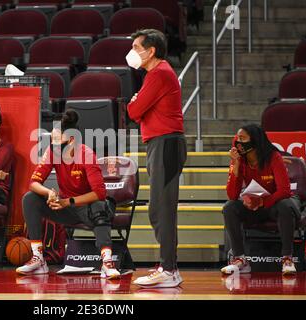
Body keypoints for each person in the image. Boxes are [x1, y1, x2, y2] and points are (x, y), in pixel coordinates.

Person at [17, 110, 120, 279]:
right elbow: (33, 183)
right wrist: (49, 192)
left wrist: (68, 202)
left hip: (87, 209)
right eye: (52, 141)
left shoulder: (86, 154)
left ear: (71, 140)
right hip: (65, 209)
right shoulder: (52, 153)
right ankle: (38, 258)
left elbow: (100, 193)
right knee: (30, 199)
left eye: (57, 141)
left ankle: (107, 262)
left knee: (99, 206)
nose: (53, 145)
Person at [127, 29, 186, 288]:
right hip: (160, 144)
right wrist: (137, 104)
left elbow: (134, 110)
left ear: (151, 51)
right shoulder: (158, 73)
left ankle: (169, 269)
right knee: (158, 208)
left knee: (162, 209)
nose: (132, 52)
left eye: (137, 47)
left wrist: (135, 103)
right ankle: (168, 265)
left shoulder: (159, 73)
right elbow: (139, 110)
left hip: (166, 144)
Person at [221, 124, 301, 276]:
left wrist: (263, 202)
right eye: (237, 138)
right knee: (230, 207)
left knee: (285, 205)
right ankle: (240, 259)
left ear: (255, 141)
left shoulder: (273, 157)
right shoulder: (239, 160)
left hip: (275, 205)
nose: (238, 142)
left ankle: (287, 259)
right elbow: (232, 195)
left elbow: (284, 191)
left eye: (243, 138)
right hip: (256, 207)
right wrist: (236, 166)